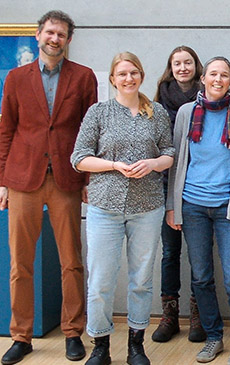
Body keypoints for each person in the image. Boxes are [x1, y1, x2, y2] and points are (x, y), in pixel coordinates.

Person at [0, 10, 97, 365]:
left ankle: (73, 331)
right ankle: (21, 336)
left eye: (62, 34)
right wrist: (2, 182)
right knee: (19, 263)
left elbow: (91, 132)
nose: (55, 39)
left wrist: (88, 178)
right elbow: (6, 129)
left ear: (68, 40)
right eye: (50, 33)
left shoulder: (84, 77)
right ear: (38, 35)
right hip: (23, 178)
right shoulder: (16, 78)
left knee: (72, 260)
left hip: (66, 179)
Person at [71, 51, 174, 365]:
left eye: (134, 73)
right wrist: (113, 164)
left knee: (141, 280)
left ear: (141, 75)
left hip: (147, 207)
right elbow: (79, 158)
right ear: (113, 79)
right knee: (100, 280)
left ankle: (136, 345)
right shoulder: (98, 113)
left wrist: (155, 163)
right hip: (105, 207)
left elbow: (169, 151)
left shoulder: (156, 112)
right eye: (122, 74)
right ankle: (100, 345)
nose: (128, 78)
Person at [166, 56, 230, 364]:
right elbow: (177, 161)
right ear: (203, 78)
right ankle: (214, 336)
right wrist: (172, 207)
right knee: (202, 276)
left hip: (229, 208)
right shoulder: (186, 112)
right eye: (213, 74)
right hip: (192, 206)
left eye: (225, 75)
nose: (218, 79)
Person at [151, 45, 207, 344]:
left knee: (199, 255)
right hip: (165, 185)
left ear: (196, 66)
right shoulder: (159, 101)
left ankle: (198, 314)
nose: (183, 68)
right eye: (177, 63)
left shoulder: (208, 96)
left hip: (197, 186)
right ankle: (170, 315)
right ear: (170, 68)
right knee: (170, 252)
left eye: (188, 62)